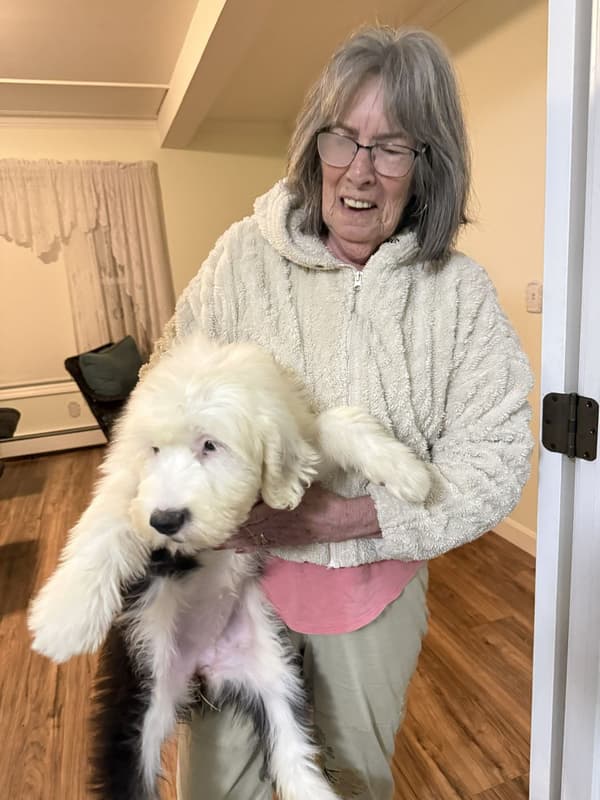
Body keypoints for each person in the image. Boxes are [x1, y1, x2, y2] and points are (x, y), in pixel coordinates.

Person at [149, 25, 534, 800]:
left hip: (370, 595)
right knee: (217, 785)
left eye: (391, 148)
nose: (359, 170)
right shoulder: (243, 258)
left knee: (351, 781)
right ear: (312, 147)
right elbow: (166, 380)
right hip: (233, 583)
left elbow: (494, 463)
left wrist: (340, 519)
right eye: (342, 139)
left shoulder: (457, 294)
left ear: (427, 166)